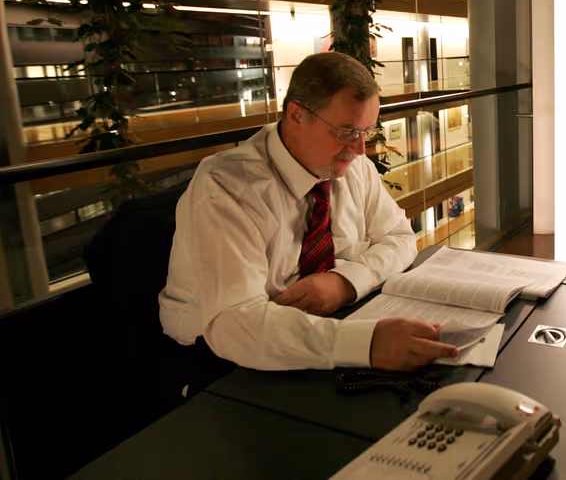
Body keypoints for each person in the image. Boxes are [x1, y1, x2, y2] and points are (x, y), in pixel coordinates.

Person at [159, 52, 458, 372]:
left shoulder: (355, 168)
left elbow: (399, 238)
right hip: (218, 359)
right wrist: (366, 344)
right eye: (347, 132)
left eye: (366, 132)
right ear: (297, 116)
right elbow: (236, 325)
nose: (359, 150)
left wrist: (344, 283)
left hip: (328, 325)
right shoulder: (226, 189)